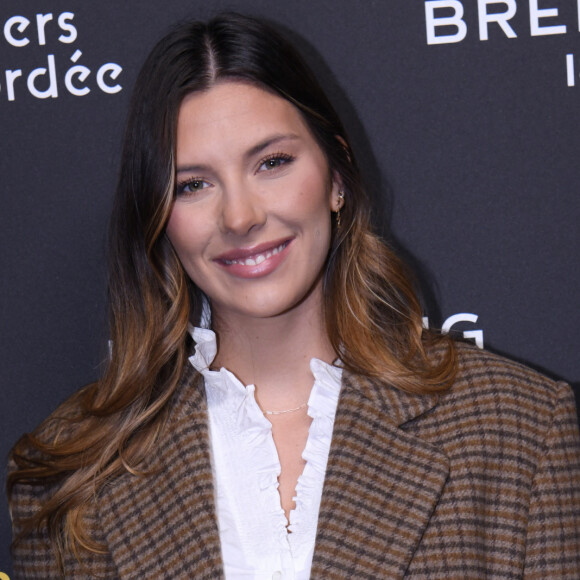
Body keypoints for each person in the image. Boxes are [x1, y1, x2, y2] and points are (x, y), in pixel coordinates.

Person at [7, 12, 580, 579]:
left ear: (336, 174)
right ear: (157, 215)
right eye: (193, 184)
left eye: (272, 163)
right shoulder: (69, 470)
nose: (240, 216)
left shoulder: (522, 431)